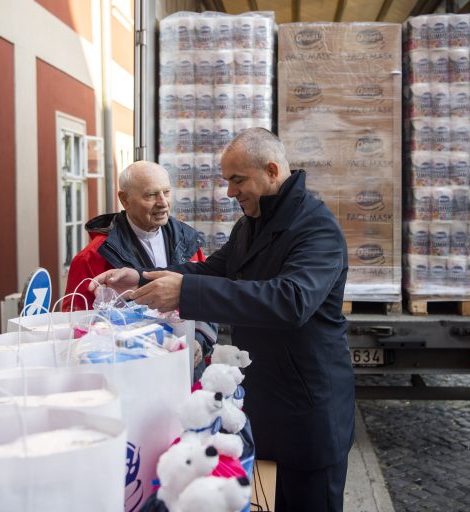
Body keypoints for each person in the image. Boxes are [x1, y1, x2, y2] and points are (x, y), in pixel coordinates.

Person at [90, 128, 355, 511]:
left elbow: (292, 300)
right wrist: (143, 276)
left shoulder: (317, 228)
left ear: (271, 170)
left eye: (237, 180)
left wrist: (185, 294)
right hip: (267, 403)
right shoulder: (252, 221)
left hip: (309, 408)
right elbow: (215, 270)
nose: (230, 192)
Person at [62, 160, 216, 379]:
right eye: (151, 195)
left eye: (166, 192)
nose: (163, 203)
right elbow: (76, 329)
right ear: (124, 199)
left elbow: (207, 299)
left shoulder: (189, 242)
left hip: (187, 370)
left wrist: (198, 341)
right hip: (125, 376)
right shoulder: (92, 258)